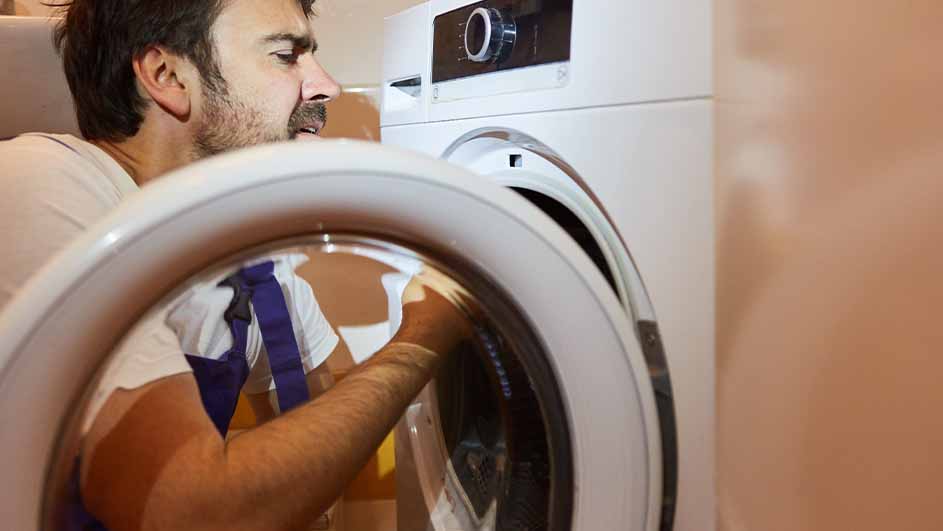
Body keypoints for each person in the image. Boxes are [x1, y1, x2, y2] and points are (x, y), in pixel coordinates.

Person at [0, 0, 471, 530]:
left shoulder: (253, 268)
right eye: (286, 55)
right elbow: (189, 509)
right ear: (167, 76)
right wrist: (421, 338)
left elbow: (338, 441)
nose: (327, 86)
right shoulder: (34, 182)